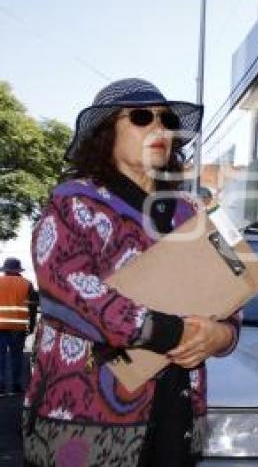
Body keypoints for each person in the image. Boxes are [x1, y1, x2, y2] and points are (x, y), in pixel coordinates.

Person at [23, 79, 241, 467]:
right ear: (106, 132)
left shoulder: (194, 211)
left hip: (176, 408)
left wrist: (219, 336)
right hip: (86, 414)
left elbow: (234, 291)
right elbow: (71, 290)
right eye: (142, 118)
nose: (160, 130)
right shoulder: (71, 201)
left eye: (166, 120)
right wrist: (174, 332)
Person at [0, 257, 37, 395]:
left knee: (0, 357)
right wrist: (32, 325)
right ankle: (16, 386)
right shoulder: (27, 284)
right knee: (16, 357)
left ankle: (1, 387)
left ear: (5, 270)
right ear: (18, 270)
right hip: (18, 328)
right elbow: (33, 308)